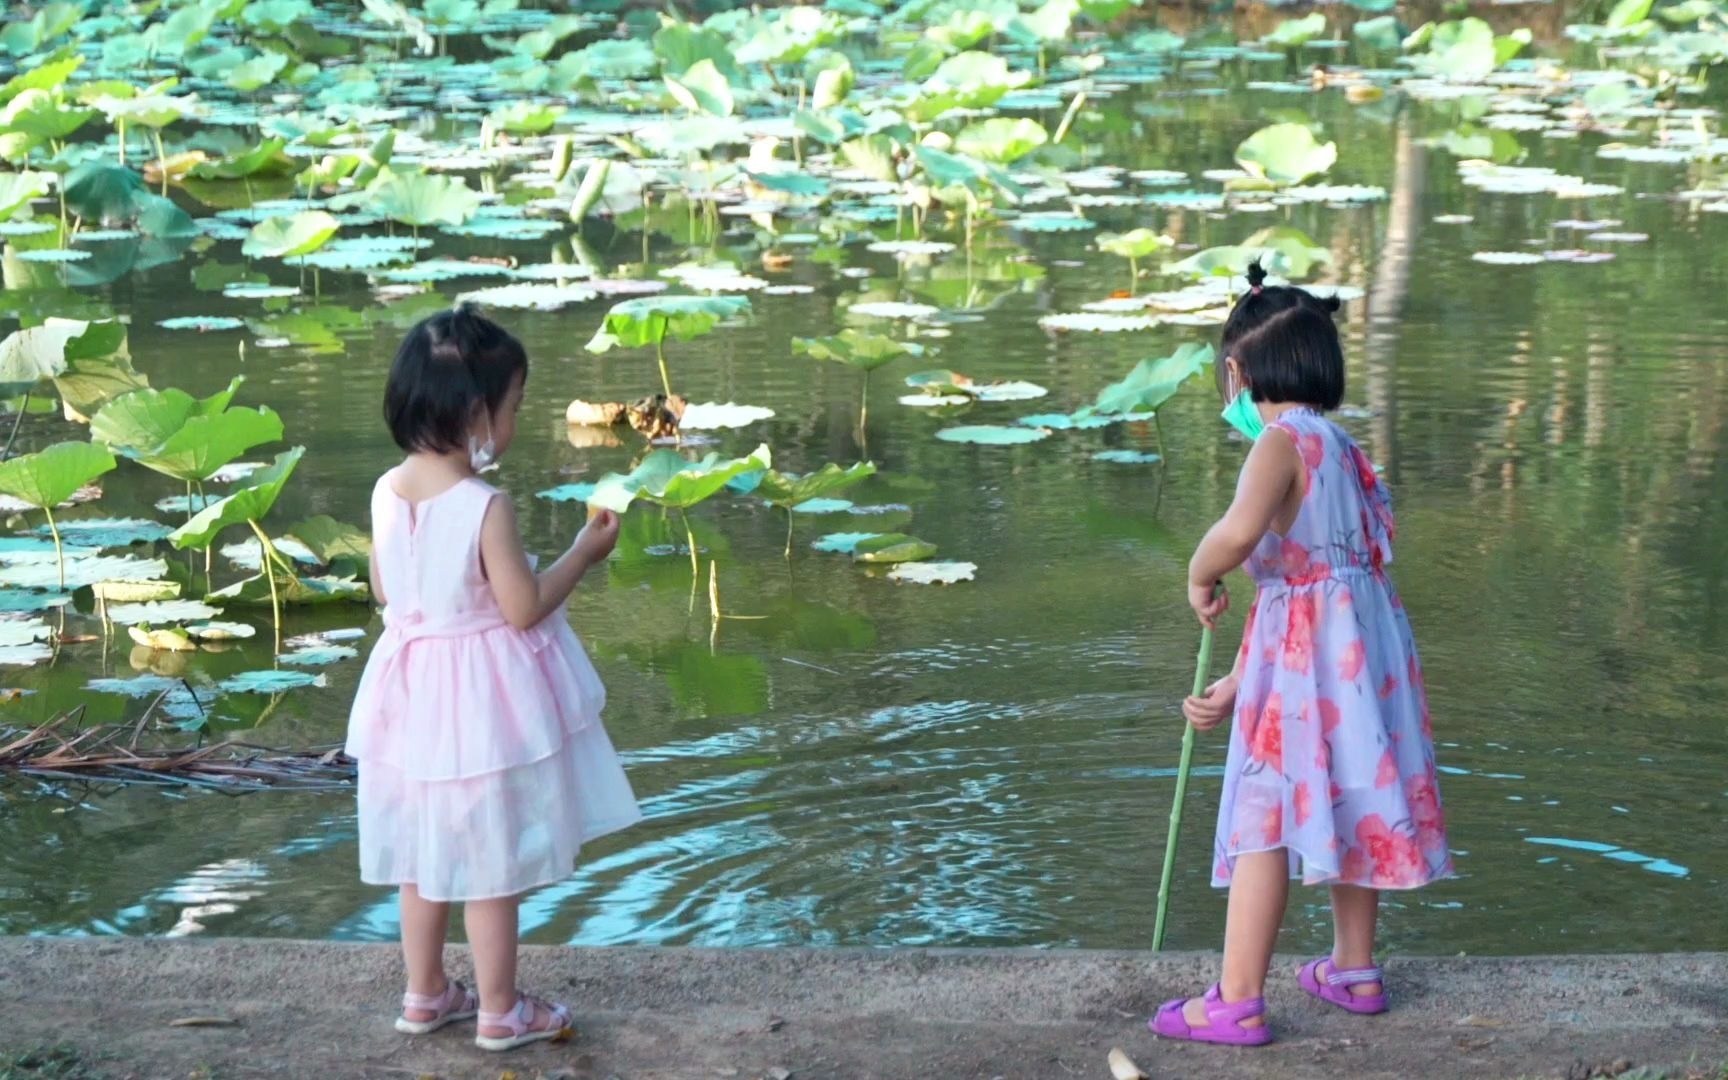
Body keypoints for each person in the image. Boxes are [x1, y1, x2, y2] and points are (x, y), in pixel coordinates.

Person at [1150, 263, 1451, 1046]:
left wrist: (1198, 569)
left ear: (1236, 374)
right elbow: (1316, 588)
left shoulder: (1279, 442)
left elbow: (1242, 536)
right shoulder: (1345, 448)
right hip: (1358, 665)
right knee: (1350, 797)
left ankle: (1237, 998)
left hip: (1314, 659)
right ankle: (1354, 969)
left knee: (1263, 817)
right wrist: (1236, 681)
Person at [345, 304, 641, 1052]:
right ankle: (500, 1010)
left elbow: (386, 589)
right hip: (477, 705)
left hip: (406, 697)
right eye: (513, 409)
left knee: (421, 853)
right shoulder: (485, 506)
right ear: (477, 414)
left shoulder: (385, 490)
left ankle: (424, 995)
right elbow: (522, 609)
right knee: (488, 863)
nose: (515, 423)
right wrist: (581, 553)